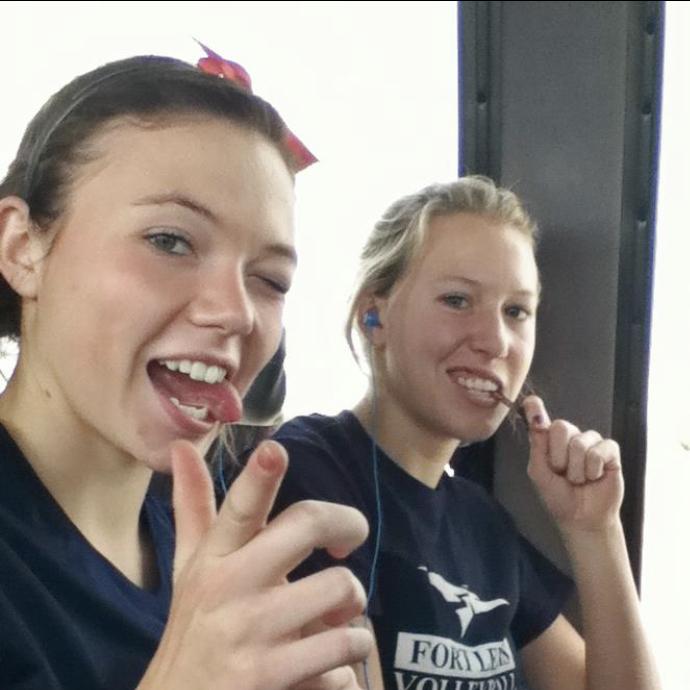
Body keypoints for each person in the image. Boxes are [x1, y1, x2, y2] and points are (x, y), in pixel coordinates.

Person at [0, 46, 374, 690]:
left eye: (270, 280)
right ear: (22, 248)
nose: (237, 313)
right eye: (169, 241)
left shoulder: (218, 548)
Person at [270, 177, 661, 690]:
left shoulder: (482, 524)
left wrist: (595, 530)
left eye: (516, 312)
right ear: (374, 316)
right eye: (457, 300)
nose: (496, 341)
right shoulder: (308, 474)